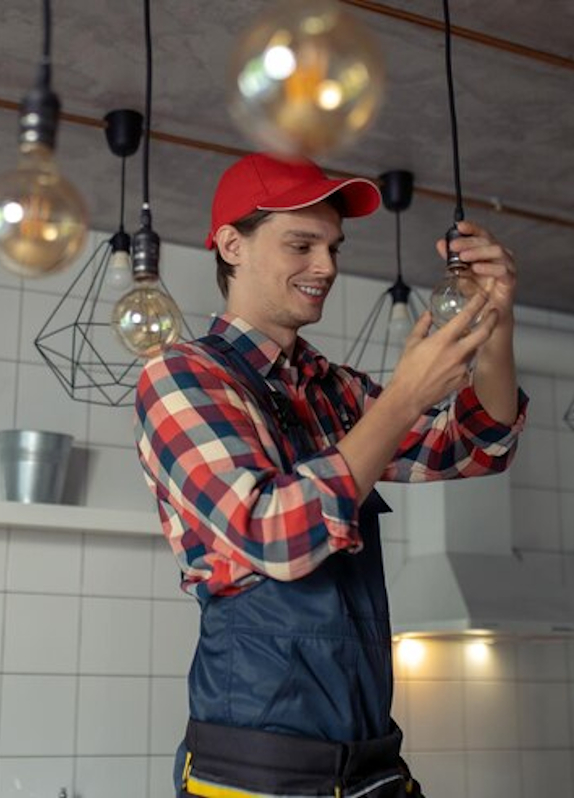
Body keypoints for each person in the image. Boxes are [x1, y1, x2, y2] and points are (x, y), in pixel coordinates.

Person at [133, 153, 528, 798]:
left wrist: (498, 321)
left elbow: (480, 445)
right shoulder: (182, 377)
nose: (327, 266)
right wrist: (403, 397)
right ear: (232, 245)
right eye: (301, 244)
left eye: (333, 246)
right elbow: (271, 533)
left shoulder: (334, 390)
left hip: (370, 759)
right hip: (256, 769)